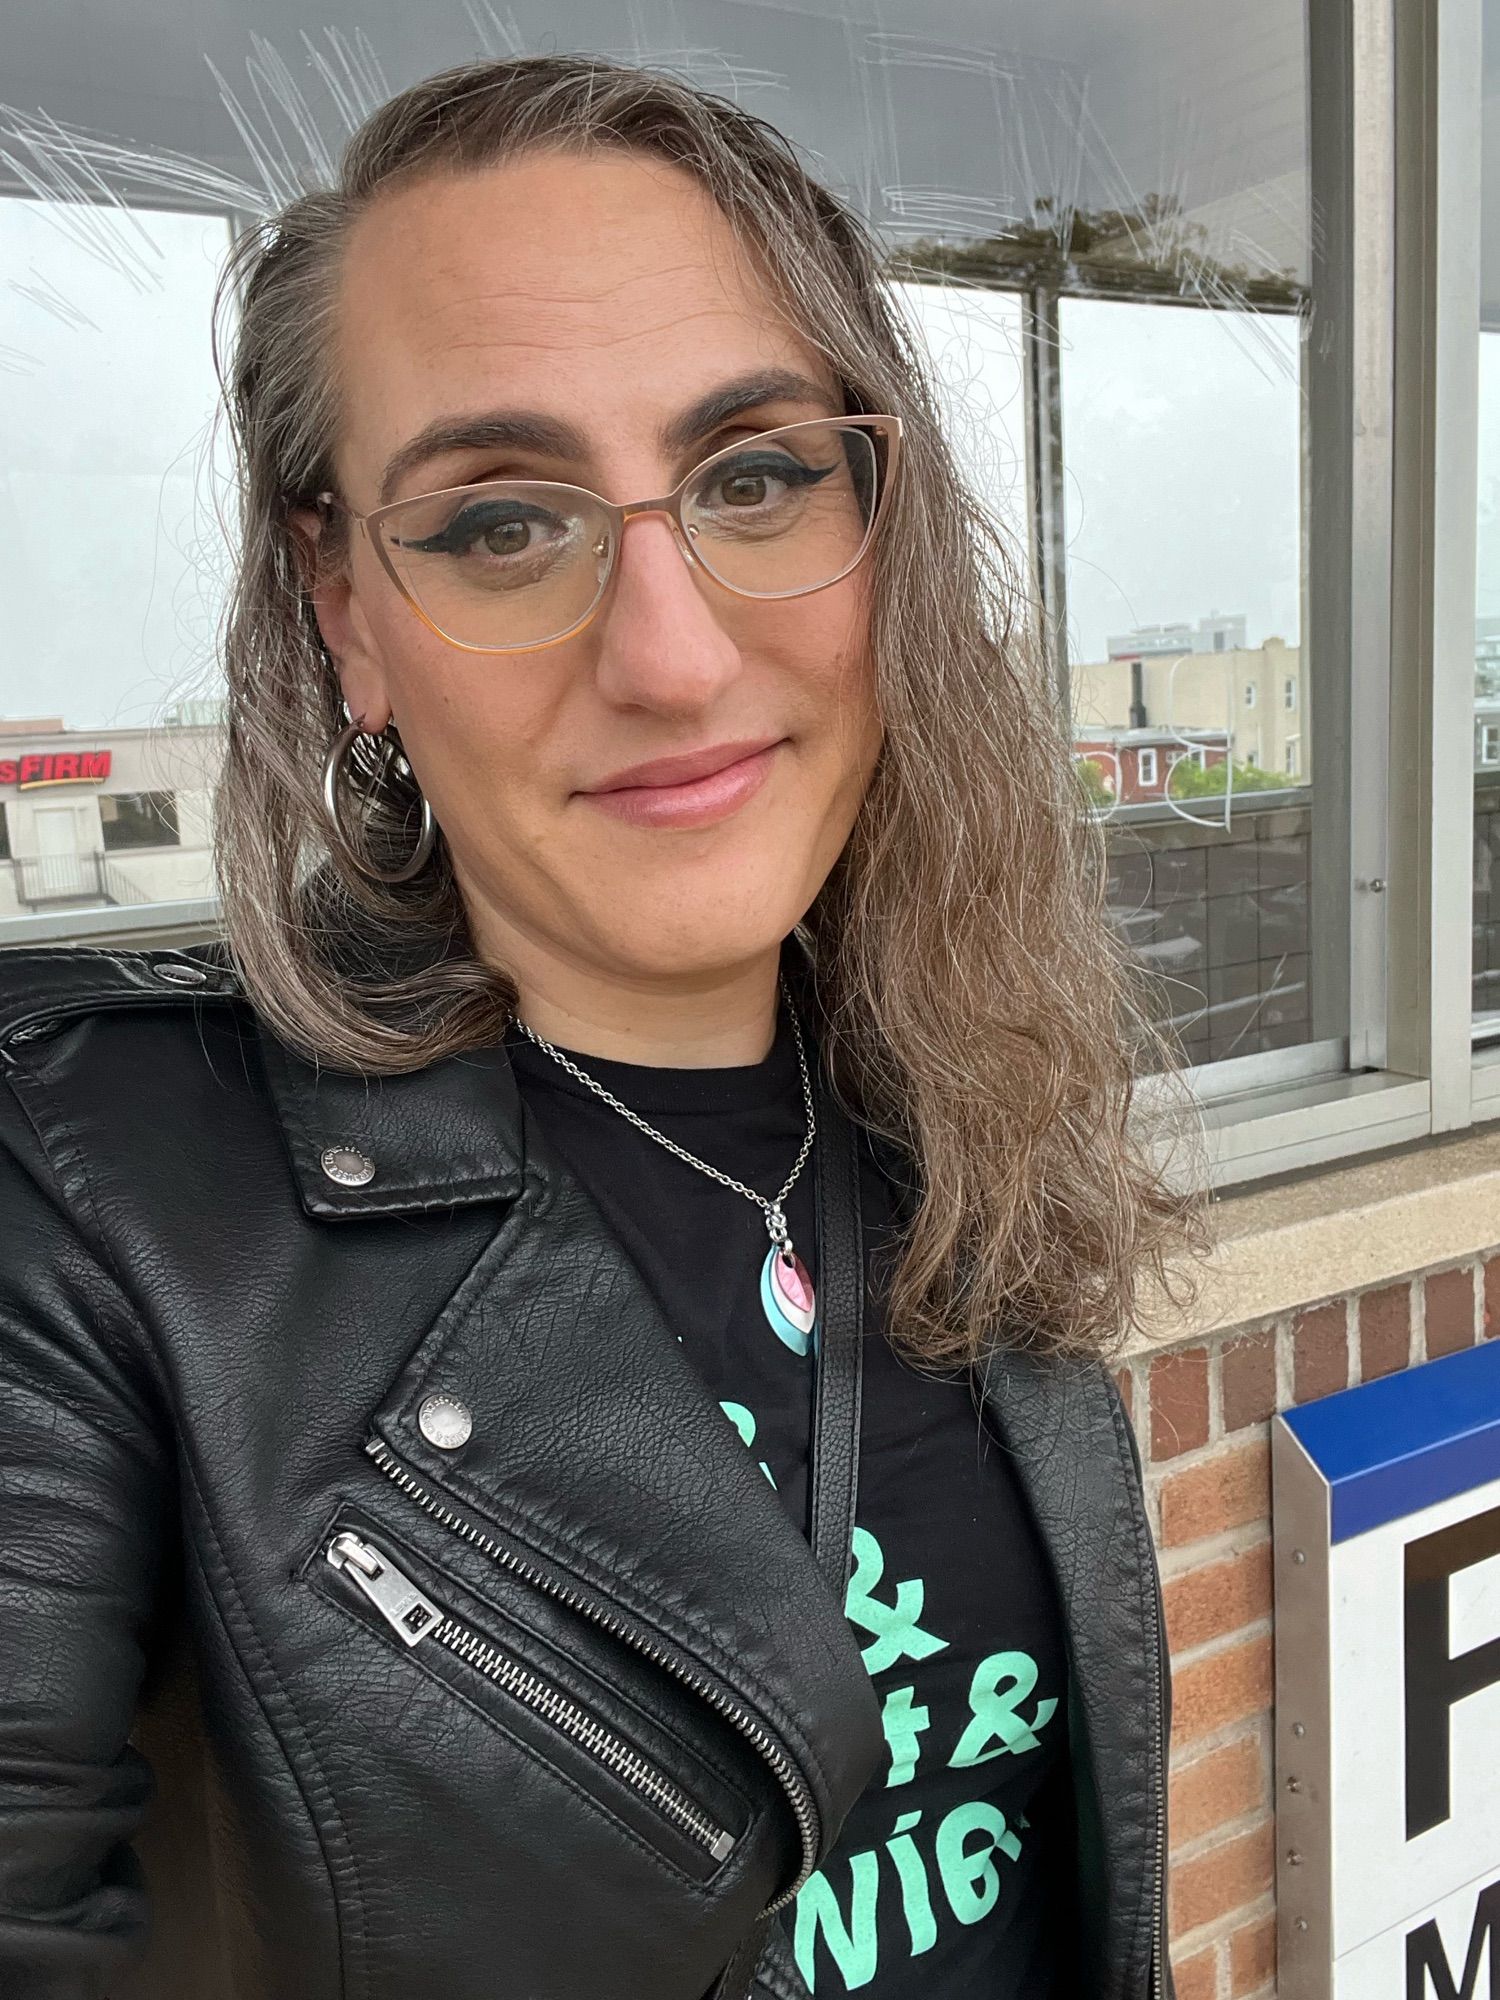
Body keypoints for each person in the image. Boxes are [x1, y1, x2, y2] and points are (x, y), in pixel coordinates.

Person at [0, 50, 1203, 2000]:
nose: (671, 650)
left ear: (878, 523)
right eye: (501, 523)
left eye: (753, 476)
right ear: (347, 612)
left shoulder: (950, 1112)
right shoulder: (100, 1207)